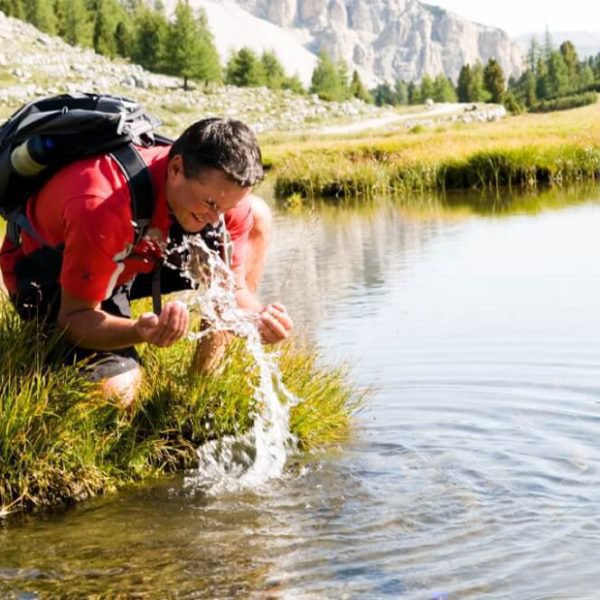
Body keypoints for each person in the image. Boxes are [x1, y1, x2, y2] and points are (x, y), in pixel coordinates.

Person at [0, 117, 293, 405]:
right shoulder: (101, 204)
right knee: (119, 392)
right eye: (211, 204)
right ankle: (50, 350)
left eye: (227, 207)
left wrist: (256, 317)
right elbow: (74, 318)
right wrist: (138, 331)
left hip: (130, 254)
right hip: (46, 272)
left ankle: (199, 388)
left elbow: (232, 290)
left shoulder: (219, 200)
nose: (216, 220)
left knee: (258, 216)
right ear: (176, 168)